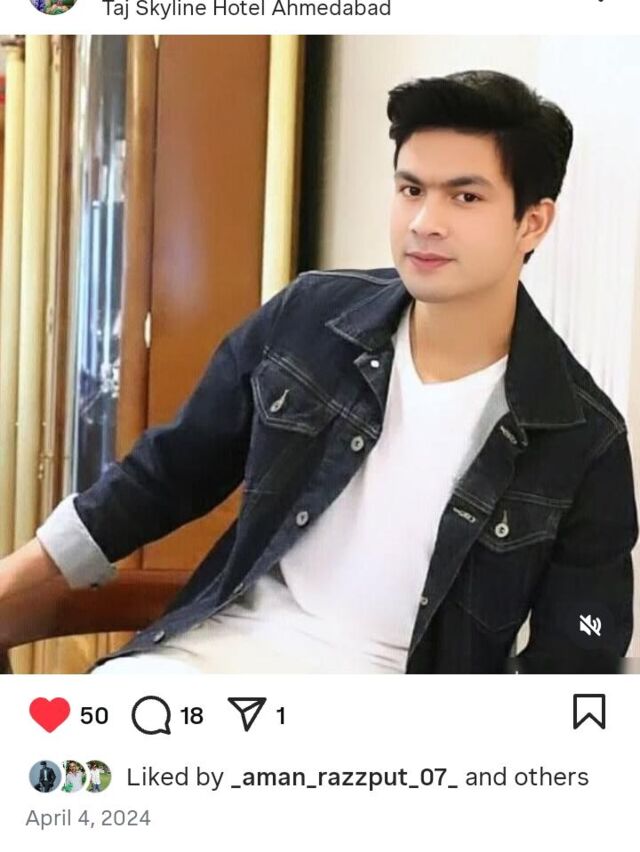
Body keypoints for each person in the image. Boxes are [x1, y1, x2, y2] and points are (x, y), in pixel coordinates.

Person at [0, 71, 636, 674]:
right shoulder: (310, 317)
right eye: (411, 190)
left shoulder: (584, 438)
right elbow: (166, 474)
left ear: (532, 222)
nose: (424, 223)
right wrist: (14, 580)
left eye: (465, 197)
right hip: (200, 664)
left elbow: (576, 658)